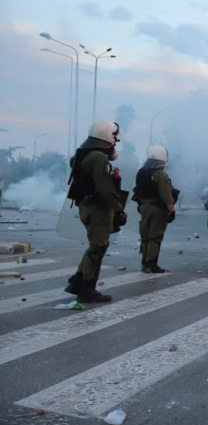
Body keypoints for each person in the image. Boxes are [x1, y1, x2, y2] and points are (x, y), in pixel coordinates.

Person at [63, 120, 126, 303]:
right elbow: (104, 187)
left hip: (86, 205)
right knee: (98, 247)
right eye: (114, 136)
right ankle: (87, 289)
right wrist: (118, 208)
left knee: (95, 246)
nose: (115, 140)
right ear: (105, 135)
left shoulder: (83, 154)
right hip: (98, 208)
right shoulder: (98, 157)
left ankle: (77, 281)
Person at [133, 145, 177, 273]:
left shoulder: (141, 172)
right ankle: (151, 264)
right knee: (155, 236)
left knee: (145, 235)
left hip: (143, 206)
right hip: (157, 208)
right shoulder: (161, 175)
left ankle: (144, 262)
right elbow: (166, 195)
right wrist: (172, 210)